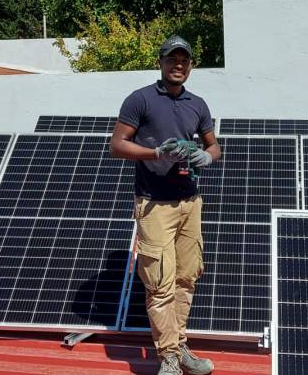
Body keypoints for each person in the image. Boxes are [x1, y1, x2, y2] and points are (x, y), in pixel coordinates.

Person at [110, 35, 221, 375]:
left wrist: (206, 156)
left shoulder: (197, 104)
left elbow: (214, 146)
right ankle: (169, 357)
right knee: (160, 284)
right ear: (160, 62)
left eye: (184, 60)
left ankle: (180, 345)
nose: (178, 65)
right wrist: (156, 153)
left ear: (190, 65)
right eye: (172, 59)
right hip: (154, 206)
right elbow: (117, 145)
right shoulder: (140, 100)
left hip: (190, 202)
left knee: (187, 278)